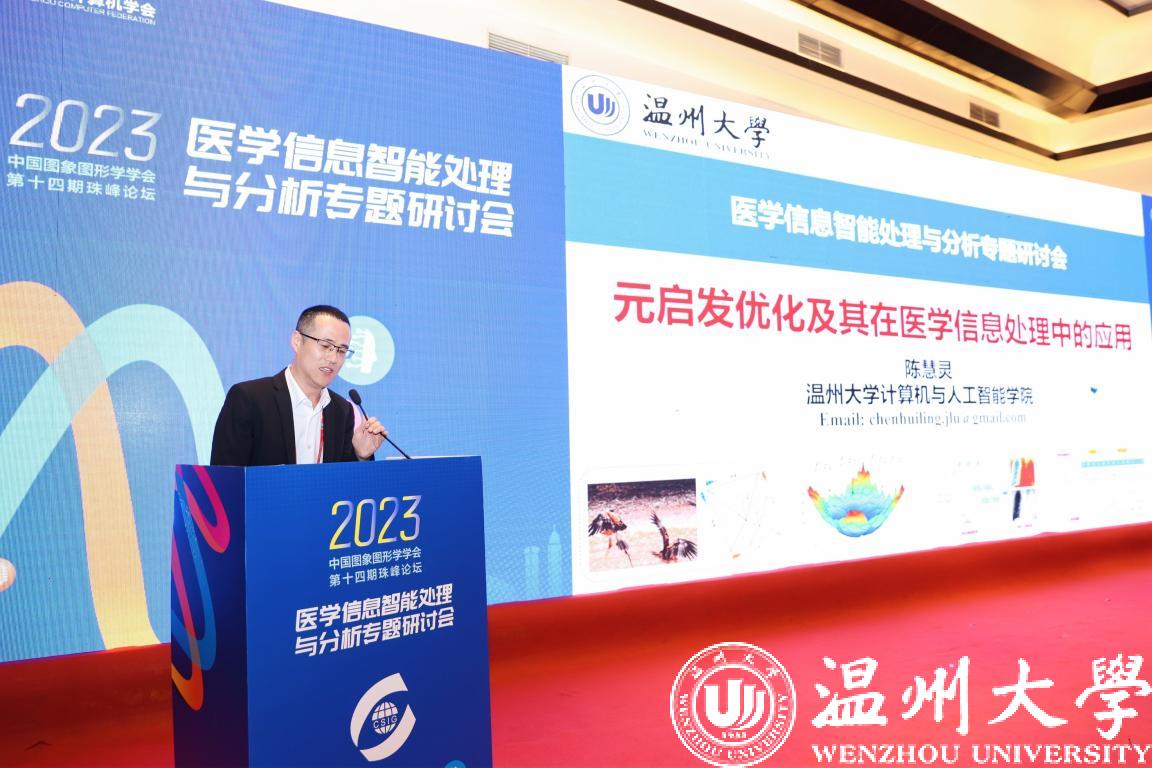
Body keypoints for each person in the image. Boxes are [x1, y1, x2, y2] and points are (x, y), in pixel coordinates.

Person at [211, 305, 388, 466]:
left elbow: (342, 484)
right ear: (297, 341)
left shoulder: (342, 411)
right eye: (325, 345)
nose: (333, 358)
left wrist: (360, 456)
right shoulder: (249, 399)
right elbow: (224, 479)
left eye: (341, 350)